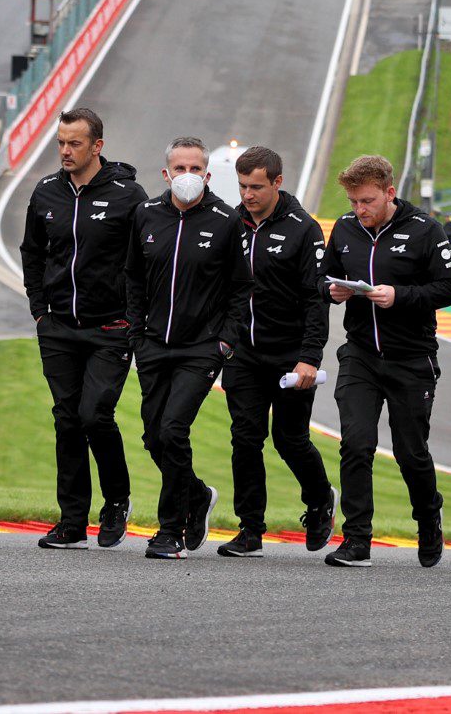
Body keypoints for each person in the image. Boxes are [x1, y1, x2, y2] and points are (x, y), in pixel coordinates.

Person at [322, 154, 451, 568]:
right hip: (360, 356)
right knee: (356, 444)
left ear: (389, 192)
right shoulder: (346, 230)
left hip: (411, 358)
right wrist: (331, 291)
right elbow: (322, 276)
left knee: (410, 451)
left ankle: (428, 518)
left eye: (366, 201)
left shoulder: (425, 230)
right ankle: (356, 540)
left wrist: (401, 296)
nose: (359, 210)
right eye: (352, 202)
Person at [20, 107, 147, 549]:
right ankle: (72, 521)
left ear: (97, 146)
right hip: (56, 326)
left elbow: (145, 262)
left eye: (74, 143)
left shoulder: (128, 196)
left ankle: (116, 501)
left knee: (95, 414)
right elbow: (32, 253)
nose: (65, 151)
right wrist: (39, 310)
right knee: (66, 420)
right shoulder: (46, 192)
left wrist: (133, 317)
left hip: (110, 328)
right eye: (60, 142)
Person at [217, 146, 335, 559]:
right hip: (244, 354)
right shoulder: (232, 222)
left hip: (290, 355)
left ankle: (320, 499)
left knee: (289, 439)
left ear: (277, 183)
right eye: (242, 186)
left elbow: (316, 300)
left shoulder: (304, 229)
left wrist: (310, 357)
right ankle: (250, 529)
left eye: (256, 187)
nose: (248, 195)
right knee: (245, 438)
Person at [126, 137, 237, 558]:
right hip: (153, 344)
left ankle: (170, 530)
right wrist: (137, 334)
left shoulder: (227, 221)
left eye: (195, 168)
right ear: (166, 173)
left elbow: (240, 289)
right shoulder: (146, 215)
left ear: (207, 175)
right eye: (180, 168)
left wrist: (224, 342)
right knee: (154, 437)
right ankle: (196, 495)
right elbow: (133, 280)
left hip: (202, 349)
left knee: (174, 429)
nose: (187, 175)